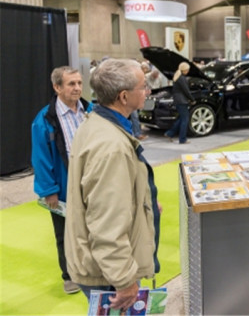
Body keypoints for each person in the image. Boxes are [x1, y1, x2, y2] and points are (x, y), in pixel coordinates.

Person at [64, 58, 161, 310]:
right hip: (106, 273)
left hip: (100, 265)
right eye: (142, 87)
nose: (147, 91)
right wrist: (124, 279)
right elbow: (106, 222)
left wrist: (145, 202)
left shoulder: (98, 123)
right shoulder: (112, 147)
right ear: (124, 96)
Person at [31, 66, 93, 295]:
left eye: (79, 83)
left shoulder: (91, 111)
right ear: (57, 87)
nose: (77, 88)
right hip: (64, 186)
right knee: (65, 232)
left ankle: (92, 267)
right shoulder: (44, 120)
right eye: (71, 84)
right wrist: (49, 190)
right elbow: (40, 158)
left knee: (94, 227)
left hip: (92, 183)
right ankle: (69, 276)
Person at [164, 62, 195, 144]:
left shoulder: (177, 76)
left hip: (178, 100)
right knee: (185, 120)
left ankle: (169, 133)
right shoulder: (181, 78)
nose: (188, 71)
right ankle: (182, 139)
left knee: (181, 118)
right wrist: (192, 99)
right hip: (182, 101)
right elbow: (186, 91)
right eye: (188, 69)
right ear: (185, 70)